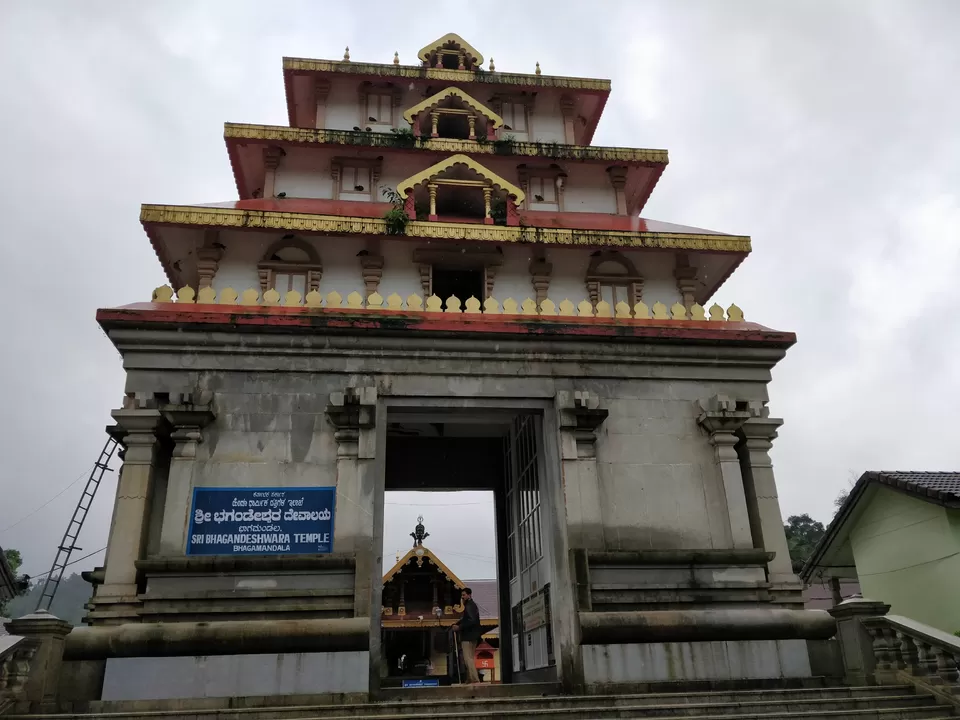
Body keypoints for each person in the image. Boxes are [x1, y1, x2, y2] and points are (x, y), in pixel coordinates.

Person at [451, 586, 482, 684]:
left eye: (464, 595)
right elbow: (468, 619)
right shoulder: (472, 605)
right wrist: (458, 622)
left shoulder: (469, 606)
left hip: (468, 636)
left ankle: (474, 679)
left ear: (469, 595)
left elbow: (471, 620)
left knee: (467, 658)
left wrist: (459, 627)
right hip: (473, 636)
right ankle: (470, 678)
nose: (462, 597)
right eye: (462, 595)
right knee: (470, 658)